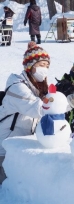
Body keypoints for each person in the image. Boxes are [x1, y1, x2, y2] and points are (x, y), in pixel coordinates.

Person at [0, 41, 50, 184]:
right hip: (4, 150)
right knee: (7, 193)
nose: (45, 69)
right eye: (41, 65)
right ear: (30, 67)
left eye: (47, 66)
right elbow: (39, 109)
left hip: (20, 148)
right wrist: (68, 101)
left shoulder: (38, 88)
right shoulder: (17, 88)